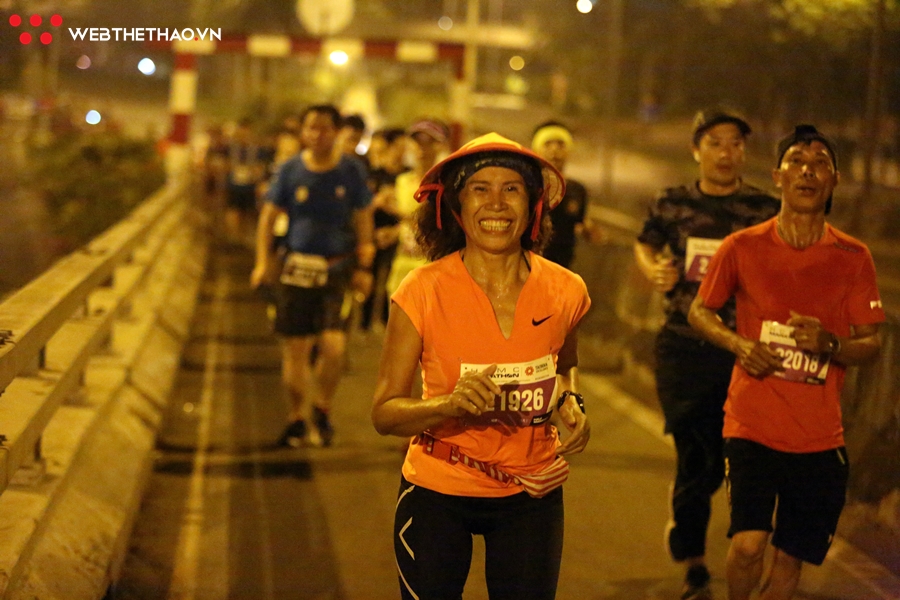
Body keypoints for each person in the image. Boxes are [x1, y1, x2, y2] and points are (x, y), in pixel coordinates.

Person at [371, 133, 592, 600]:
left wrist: (571, 402)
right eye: (479, 188)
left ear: (532, 206)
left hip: (530, 495)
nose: (496, 203)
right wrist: (449, 404)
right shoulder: (421, 290)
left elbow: (565, 368)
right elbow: (385, 412)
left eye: (511, 188)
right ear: (455, 206)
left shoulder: (567, 290)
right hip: (437, 489)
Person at [687, 124, 884, 600]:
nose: (807, 170)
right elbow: (700, 311)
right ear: (777, 176)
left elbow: (872, 342)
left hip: (818, 436)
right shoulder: (742, 246)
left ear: (833, 180)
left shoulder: (853, 256)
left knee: (789, 556)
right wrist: (740, 345)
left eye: (819, 163)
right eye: (797, 160)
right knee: (750, 543)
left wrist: (830, 344)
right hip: (751, 422)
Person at [633, 108, 781, 599]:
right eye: (716, 142)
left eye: (736, 143)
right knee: (696, 457)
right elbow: (645, 245)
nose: (726, 152)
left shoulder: (763, 210)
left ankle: (700, 528)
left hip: (742, 350)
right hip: (682, 346)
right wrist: (655, 271)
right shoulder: (672, 202)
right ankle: (695, 562)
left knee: (725, 461)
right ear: (697, 149)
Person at [251, 104, 374, 448]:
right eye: (311, 129)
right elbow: (267, 218)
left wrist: (365, 262)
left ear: (336, 132)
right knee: (296, 350)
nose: (318, 135)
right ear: (303, 132)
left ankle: (323, 408)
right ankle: (295, 418)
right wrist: (262, 262)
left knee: (333, 347)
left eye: (325, 129)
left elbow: (364, 215)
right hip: (295, 270)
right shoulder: (290, 170)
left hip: (337, 268)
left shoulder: (350, 171)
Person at [385, 118, 451, 295]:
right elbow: (410, 227)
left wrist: (400, 213)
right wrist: (394, 232)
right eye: (417, 141)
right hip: (402, 265)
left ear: (442, 146)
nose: (423, 147)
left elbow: (440, 223)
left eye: (430, 142)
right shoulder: (402, 182)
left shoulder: (446, 186)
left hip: (433, 268)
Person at [530, 120, 602, 269]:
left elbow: (580, 222)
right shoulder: (526, 186)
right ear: (536, 149)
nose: (554, 150)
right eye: (548, 144)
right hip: (531, 267)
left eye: (561, 144)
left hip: (563, 268)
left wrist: (591, 231)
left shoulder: (577, 190)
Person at [360, 127, 408, 331]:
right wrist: (378, 202)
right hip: (373, 233)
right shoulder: (374, 175)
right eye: (399, 146)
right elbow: (362, 207)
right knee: (369, 277)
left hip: (398, 234)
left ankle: (388, 323)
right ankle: (364, 323)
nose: (403, 150)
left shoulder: (408, 176)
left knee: (392, 281)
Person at [224, 119, 268, 246]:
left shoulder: (257, 149)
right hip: (234, 184)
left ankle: (245, 237)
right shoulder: (230, 148)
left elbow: (261, 165)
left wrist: (256, 173)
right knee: (233, 210)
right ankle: (233, 238)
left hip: (250, 184)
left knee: (248, 211)